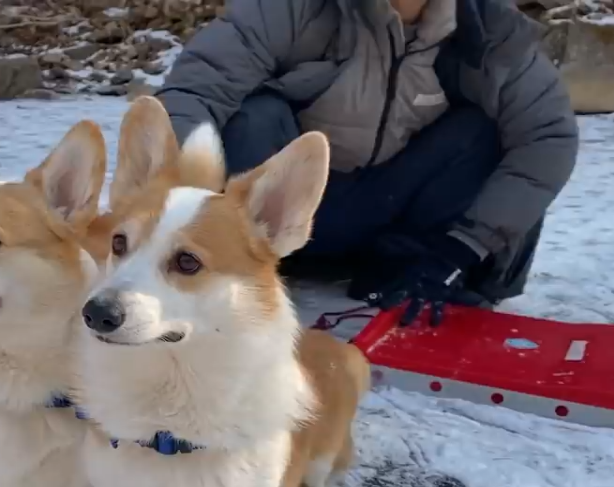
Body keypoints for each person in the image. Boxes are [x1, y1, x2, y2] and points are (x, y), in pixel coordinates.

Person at [155, 0, 579, 327]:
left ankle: (417, 270)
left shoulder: (490, 31)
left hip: (390, 212)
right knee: (254, 116)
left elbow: (548, 136)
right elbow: (194, 92)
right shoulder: (290, 9)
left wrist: (464, 248)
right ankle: (224, 256)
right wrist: (173, 213)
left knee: (483, 131)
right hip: (284, 216)